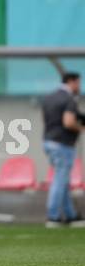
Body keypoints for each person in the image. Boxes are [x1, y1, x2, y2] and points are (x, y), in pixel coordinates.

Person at [42, 72, 85, 228]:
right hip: (62, 144)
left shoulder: (49, 98)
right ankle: (53, 217)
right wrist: (80, 128)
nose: (79, 86)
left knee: (63, 179)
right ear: (71, 81)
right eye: (78, 82)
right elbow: (68, 122)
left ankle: (71, 215)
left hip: (48, 141)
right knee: (60, 180)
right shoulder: (69, 99)